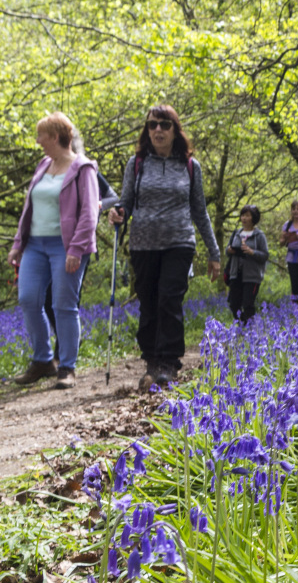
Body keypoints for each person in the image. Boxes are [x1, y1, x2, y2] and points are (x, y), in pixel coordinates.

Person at [109, 105, 221, 390]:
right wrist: (117, 213)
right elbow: (126, 204)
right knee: (148, 302)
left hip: (179, 243)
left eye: (164, 125)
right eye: (152, 125)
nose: (157, 130)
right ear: (147, 131)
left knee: (169, 299)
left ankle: (169, 363)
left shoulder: (189, 166)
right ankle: (152, 360)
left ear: (175, 130)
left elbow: (200, 211)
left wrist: (214, 252)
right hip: (143, 245)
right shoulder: (136, 164)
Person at [8, 112, 98, 390]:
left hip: (67, 247)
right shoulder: (43, 165)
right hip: (35, 244)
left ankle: (67, 367)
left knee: (63, 305)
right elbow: (29, 208)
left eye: (41, 136)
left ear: (56, 137)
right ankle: (43, 361)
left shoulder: (83, 168)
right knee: (28, 299)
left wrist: (76, 248)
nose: (38, 141)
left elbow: (89, 213)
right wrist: (18, 245)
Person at [44, 132, 118, 364]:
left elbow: (114, 198)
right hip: (50, 242)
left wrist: (98, 204)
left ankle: (63, 354)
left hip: (78, 244)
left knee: (66, 299)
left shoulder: (88, 171)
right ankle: (66, 344)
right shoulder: (50, 171)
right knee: (46, 299)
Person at [225, 204, 268, 323]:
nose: (244, 218)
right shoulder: (236, 233)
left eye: (247, 215)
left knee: (248, 304)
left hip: (252, 276)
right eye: (242, 215)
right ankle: (242, 326)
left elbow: (265, 255)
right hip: (235, 274)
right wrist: (229, 250)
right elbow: (227, 251)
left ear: (253, 218)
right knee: (234, 304)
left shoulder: (259, 235)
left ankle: (251, 332)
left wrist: (251, 252)